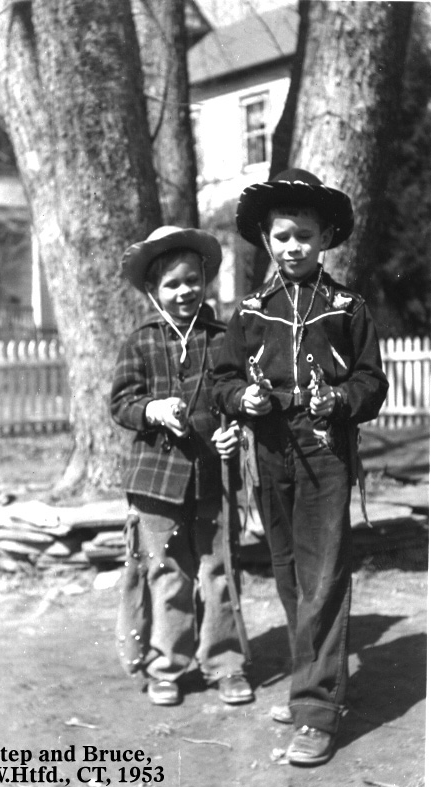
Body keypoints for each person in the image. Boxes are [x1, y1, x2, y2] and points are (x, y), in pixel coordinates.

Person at [212, 169, 388, 765]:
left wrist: (338, 399)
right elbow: (223, 378)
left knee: (324, 573)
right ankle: (310, 679)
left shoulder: (346, 307)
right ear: (267, 240)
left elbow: (371, 381)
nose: (293, 247)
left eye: (305, 236)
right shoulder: (251, 310)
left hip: (323, 449)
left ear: (325, 239)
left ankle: (315, 710)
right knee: (288, 571)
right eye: (282, 236)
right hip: (269, 450)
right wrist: (243, 399)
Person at [110, 225, 253, 708]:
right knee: (167, 572)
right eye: (172, 284)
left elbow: (238, 397)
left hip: (215, 475)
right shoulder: (141, 342)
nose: (185, 291)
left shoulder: (224, 337)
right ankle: (166, 665)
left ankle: (226, 663)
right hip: (157, 480)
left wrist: (236, 430)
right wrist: (152, 410)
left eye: (192, 280)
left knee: (219, 570)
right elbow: (121, 403)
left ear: (205, 281)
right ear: (153, 290)